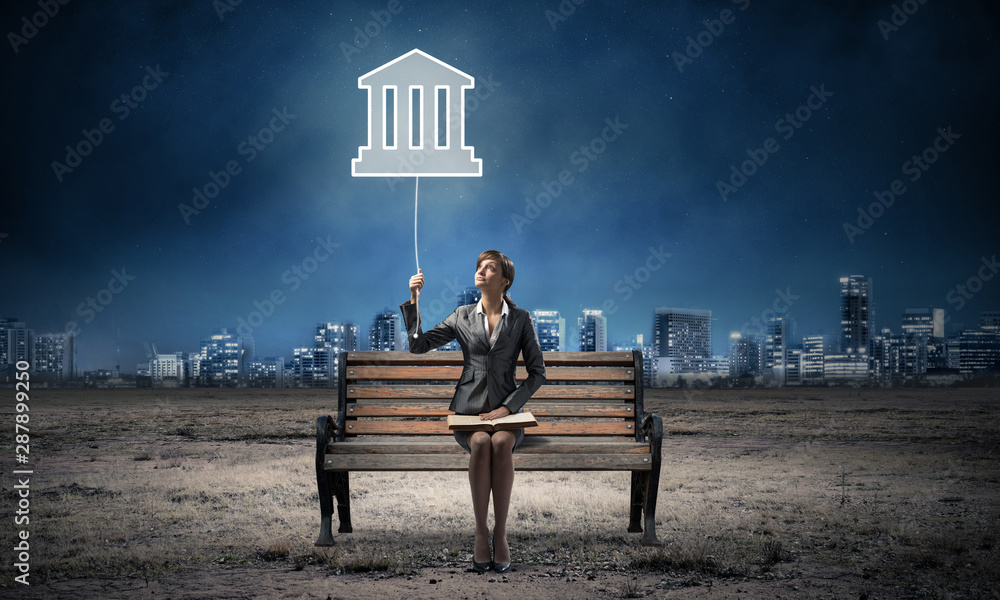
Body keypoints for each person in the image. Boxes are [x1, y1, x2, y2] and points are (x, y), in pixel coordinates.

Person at [400, 250, 546, 573]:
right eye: (480, 266)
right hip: (469, 412)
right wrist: (414, 299)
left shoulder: (521, 319)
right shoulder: (462, 315)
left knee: (500, 442)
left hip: (507, 414)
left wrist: (509, 407)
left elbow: (538, 373)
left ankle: (501, 533)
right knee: (480, 442)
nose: (481, 271)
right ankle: (481, 532)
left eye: (490, 268)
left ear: (505, 280)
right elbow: (418, 345)